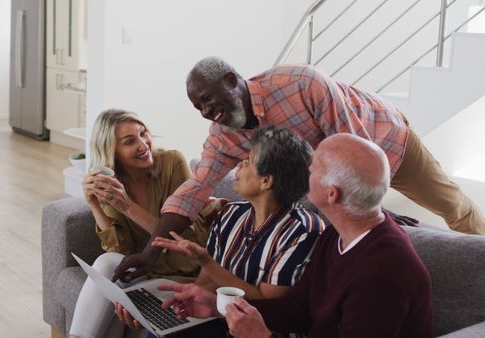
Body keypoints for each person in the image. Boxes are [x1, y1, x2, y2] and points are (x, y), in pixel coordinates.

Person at [113, 56, 484, 283]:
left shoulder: (300, 83)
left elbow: (352, 143)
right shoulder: (223, 134)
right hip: (330, 174)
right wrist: (150, 253)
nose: (208, 112)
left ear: (232, 81)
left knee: (453, 207)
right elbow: (195, 189)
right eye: (199, 108)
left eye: (208, 100)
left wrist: (371, 210)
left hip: (381, 138)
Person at [156, 133, 433, 337]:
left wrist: (262, 337)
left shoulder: (382, 274)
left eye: (314, 169)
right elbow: (299, 309)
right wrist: (220, 307)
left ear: (331, 193)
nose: (306, 172)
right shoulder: (338, 235)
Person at [114, 126, 326, 337]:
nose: (239, 165)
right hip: (220, 316)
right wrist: (161, 314)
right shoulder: (230, 214)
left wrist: (206, 261)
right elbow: (204, 286)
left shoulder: (303, 230)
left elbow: (265, 306)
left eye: (249, 160)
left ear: (266, 181)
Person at [69, 109, 220, 338]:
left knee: (110, 301)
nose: (143, 144)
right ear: (113, 152)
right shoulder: (112, 182)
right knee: (108, 263)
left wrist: (128, 206)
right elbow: (121, 253)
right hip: (145, 274)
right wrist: (95, 206)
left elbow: (186, 242)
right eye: (130, 141)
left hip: (185, 270)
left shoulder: (173, 163)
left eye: (143, 133)